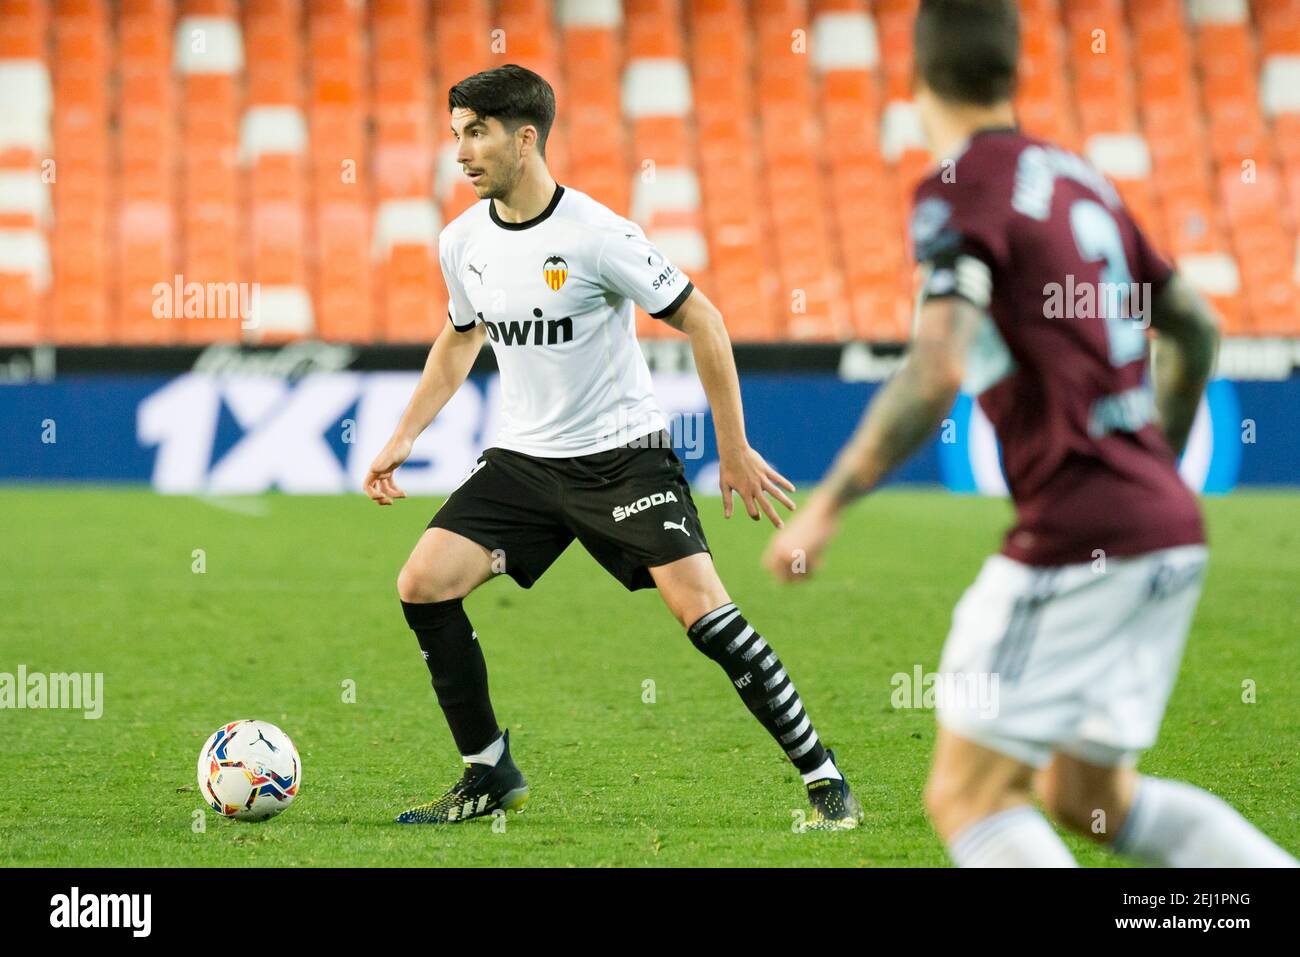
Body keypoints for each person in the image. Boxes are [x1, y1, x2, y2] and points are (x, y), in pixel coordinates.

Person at [765, 0, 1296, 866]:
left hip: (1082, 534)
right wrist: (1155, 455)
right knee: (1088, 798)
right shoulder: (1081, 177)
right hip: (1165, 529)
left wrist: (825, 507)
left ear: (917, 76)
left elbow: (934, 365)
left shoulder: (958, 187)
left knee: (968, 795)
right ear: (1015, 73)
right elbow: (1196, 328)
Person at [366, 64, 862, 830]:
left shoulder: (597, 236)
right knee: (422, 582)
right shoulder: (461, 241)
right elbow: (460, 338)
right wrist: (402, 435)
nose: (461, 152)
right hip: (524, 464)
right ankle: (488, 771)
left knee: (704, 615)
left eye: (476, 133)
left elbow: (706, 320)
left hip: (622, 458)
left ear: (524, 139)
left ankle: (824, 777)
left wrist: (732, 447)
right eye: (456, 134)